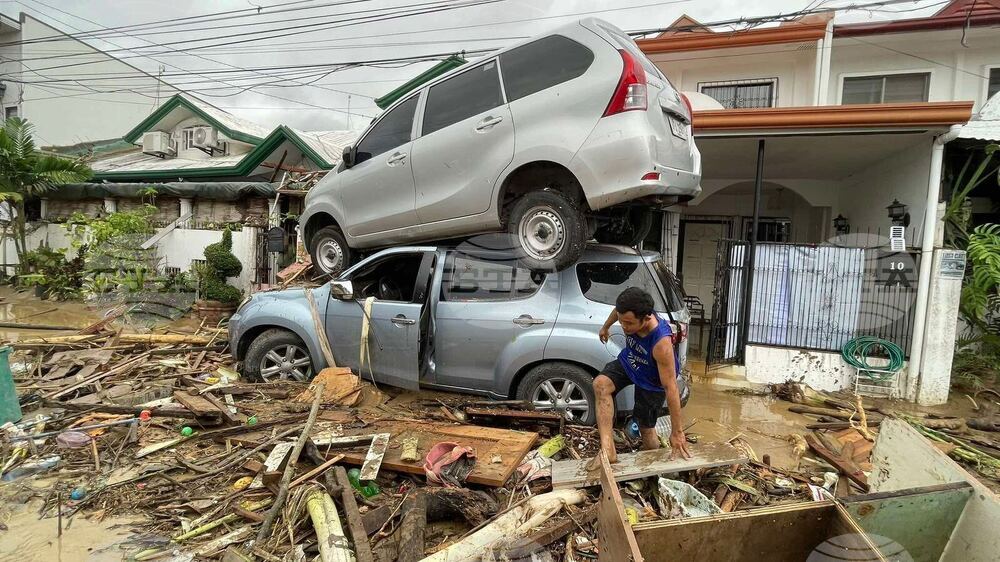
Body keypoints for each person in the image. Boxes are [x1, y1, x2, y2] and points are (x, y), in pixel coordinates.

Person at [593, 286, 690, 464]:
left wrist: (677, 432)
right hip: (631, 362)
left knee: (646, 429)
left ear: (646, 318)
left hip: (653, 381)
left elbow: (671, 388)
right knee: (600, 384)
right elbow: (618, 311)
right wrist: (605, 327)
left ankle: (652, 465)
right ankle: (608, 450)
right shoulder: (630, 311)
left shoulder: (661, 343)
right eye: (622, 322)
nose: (624, 326)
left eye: (629, 323)